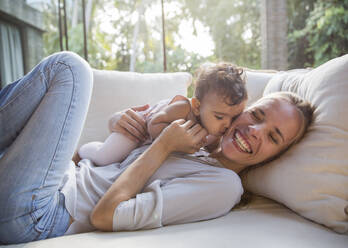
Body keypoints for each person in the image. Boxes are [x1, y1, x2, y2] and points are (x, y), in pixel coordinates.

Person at [0, 52, 314, 244]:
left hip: (40, 215)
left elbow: (105, 216)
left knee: (70, 69)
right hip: (55, 181)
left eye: (273, 137)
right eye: (257, 115)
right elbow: (103, 154)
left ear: (276, 156)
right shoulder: (198, 137)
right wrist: (123, 122)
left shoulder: (223, 186)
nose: (254, 131)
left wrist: (163, 145)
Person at [77, 63, 247, 166]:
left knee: (119, 162)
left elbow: (209, 149)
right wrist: (173, 141)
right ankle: (88, 149)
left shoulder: (216, 131)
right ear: (197, 106)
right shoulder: (182, 108)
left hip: (148, 149)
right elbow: (154, 123)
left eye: (234, 117)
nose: (227, 124)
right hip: (138, 129)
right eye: (219, 117)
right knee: (107, 157)